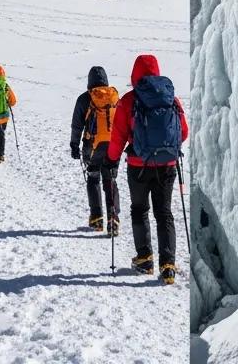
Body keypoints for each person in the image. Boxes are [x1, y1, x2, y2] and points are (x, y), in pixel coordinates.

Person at [106, 55, 189, 286]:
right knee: (164, 213)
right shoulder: (171, 98)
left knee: (140, 210)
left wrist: (111, 160)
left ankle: (144, 259)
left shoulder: (129, 100)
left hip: (138, 166)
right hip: (167, 167)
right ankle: (168, 265)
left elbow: (118, 136)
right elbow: (183, 132)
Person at [70, 66, 121, 234]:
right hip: (114, 145)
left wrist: (74, 145)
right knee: (110, 180)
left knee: (93, 178)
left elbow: (77, 125)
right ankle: (113, 217)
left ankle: (97, 217)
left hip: (92, 146)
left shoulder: (85, 98)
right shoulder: (114, 97)